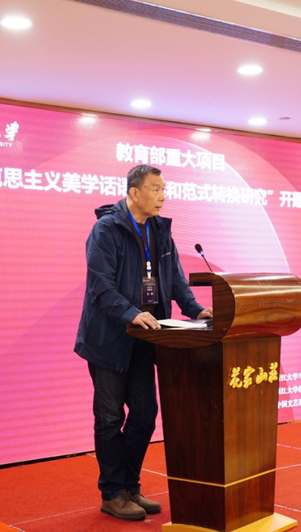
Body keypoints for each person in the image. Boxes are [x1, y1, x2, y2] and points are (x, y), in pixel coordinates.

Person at [74, 164, 212, 521]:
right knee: (109, 419)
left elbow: (176, 280)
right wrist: (131, 312)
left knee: (145, 415)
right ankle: (112, 493)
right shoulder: (107, 229)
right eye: (156, 189)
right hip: (109, 339)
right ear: (134, 193)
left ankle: (129, 486)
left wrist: (196, 310)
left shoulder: (160, 231)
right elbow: (101, 285)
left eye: (164, 188)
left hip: (146, 338)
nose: (163, 195)